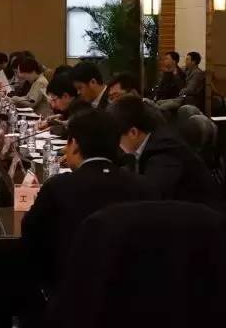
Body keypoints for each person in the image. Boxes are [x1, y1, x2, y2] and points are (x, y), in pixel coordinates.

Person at [21, 110, 155, 322]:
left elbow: (30, 236)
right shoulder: (143, 187)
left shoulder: (59, 187)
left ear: (74, 144)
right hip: (133, 302)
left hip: (72, 302)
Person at [110, 95, 219, 204]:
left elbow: (153, 196)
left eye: (116, 137)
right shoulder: (152, 138)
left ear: (133, 132)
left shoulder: (164, 151)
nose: (116, 145)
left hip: (201, 211)